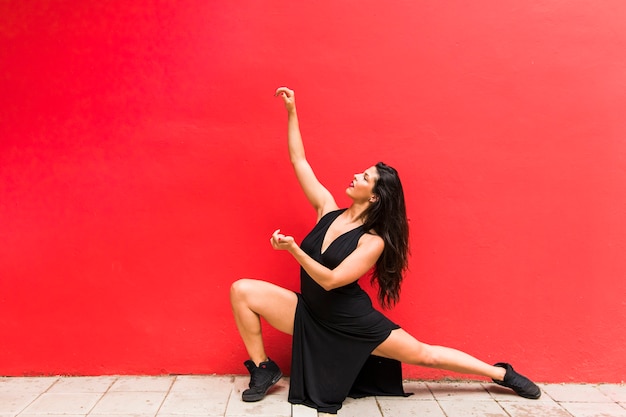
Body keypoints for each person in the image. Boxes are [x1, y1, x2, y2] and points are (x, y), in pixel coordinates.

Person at [229, 86, 541, 414]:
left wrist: (294, 250)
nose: (354, 175)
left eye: (364, 177)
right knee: (242, 291)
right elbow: (299, 160)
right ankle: (264, 369)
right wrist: (291, 111)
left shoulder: (372, 241)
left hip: (351, 321)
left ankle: (501, 373)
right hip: (310, 314)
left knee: (424, 354)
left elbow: (332, 281)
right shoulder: (326, 208)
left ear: (374, 196)